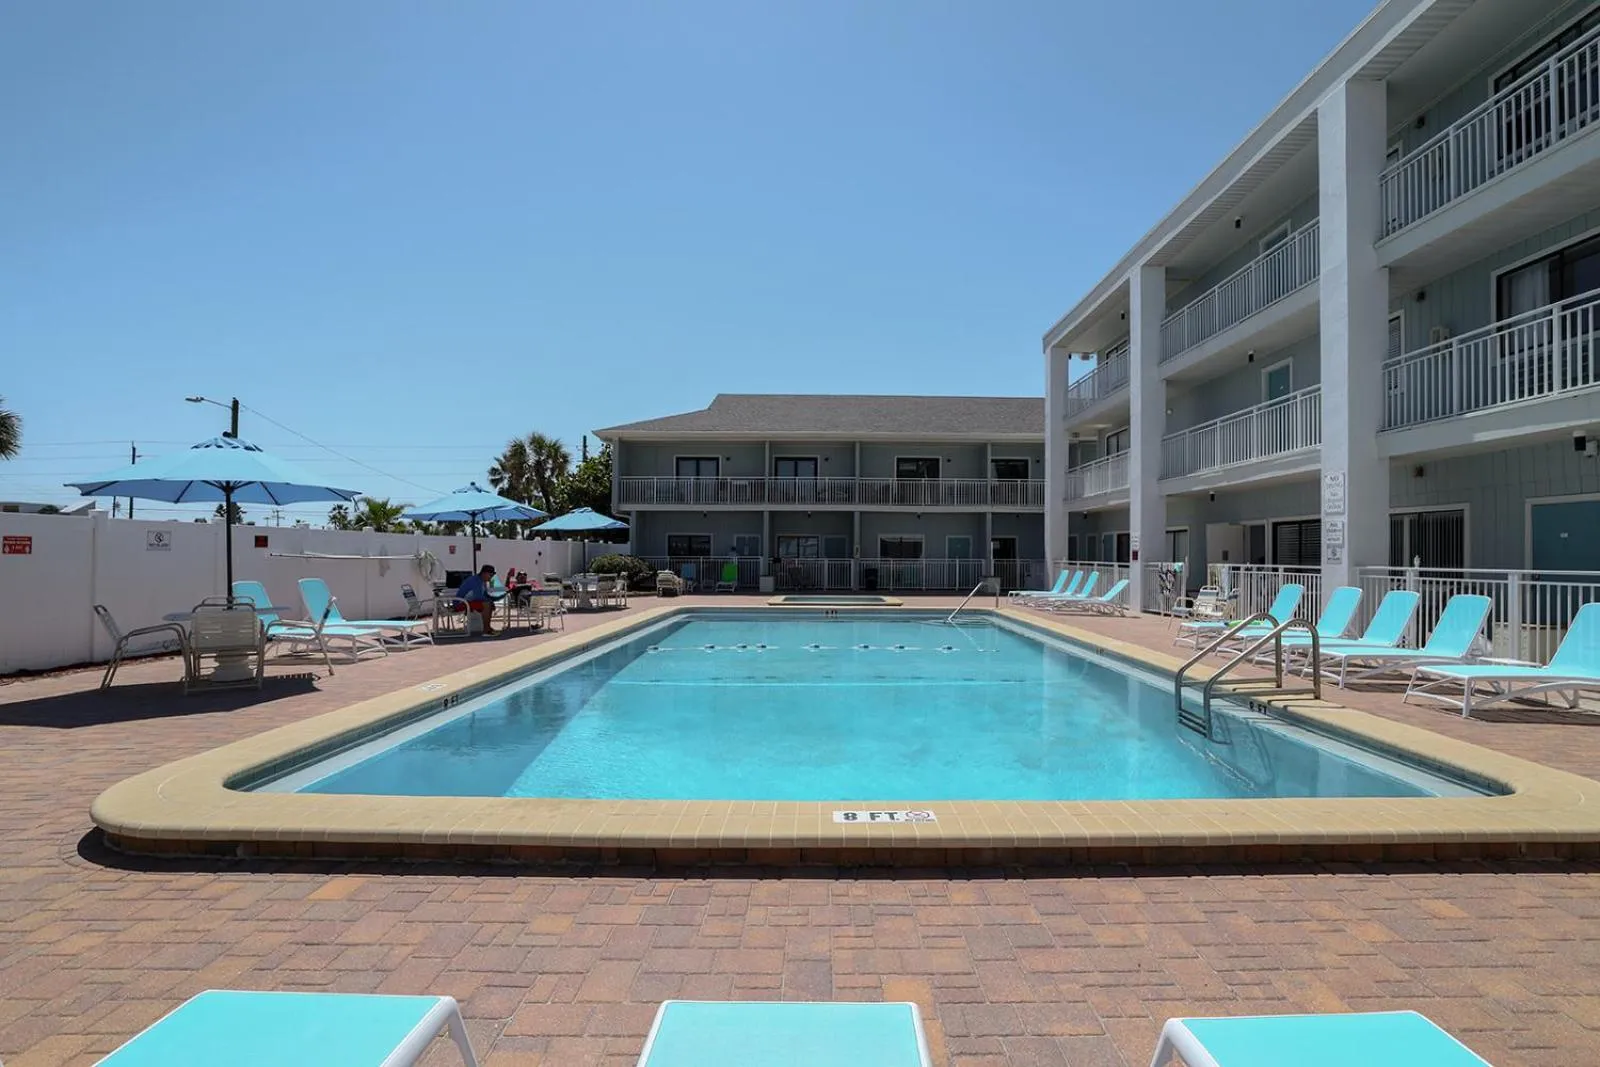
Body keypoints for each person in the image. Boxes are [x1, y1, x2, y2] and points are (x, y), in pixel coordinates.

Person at [455, 564, 498, 635]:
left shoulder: (481, 581)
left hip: (468, 602)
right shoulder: (475, 581)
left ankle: (488, 628)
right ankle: (486, 631)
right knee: (486, 604)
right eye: (490, 575)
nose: (491, 577)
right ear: (484, 574)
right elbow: (479, 596)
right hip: (461, 603)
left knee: (489, 604)